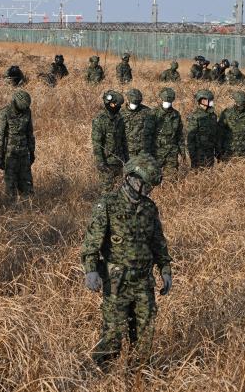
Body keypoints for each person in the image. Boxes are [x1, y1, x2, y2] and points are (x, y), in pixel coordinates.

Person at [81, 157, 171, 370]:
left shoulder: (149, 208)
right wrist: (91, 271)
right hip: (117, 283)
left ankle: (138, 379)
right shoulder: (108, 205)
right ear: (131, 179)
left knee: (144, 339)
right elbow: (91, 243)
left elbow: (158, 242)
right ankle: (96, 377)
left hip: (144, 283)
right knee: (112, 338)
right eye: (146, 184)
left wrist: (165, 270)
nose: (149, 190)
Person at [0, 89, 36, 197]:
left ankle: (29, 203)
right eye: (24, 106)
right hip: (10, 153)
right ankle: (11, 206)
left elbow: (29, 132)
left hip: (23, 151)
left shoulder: (27, 111)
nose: (25, 108)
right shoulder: (5, 113)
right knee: (11, 182)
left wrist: (32, 151)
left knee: (27, 180)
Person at [144, 87, 184, 179]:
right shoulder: (153, 114)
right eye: (165, 99)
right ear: (161, 99)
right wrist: (147, 152)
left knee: (171, 178)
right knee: (153, 177)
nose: (167, 102)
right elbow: (147, 134)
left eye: (169, 100)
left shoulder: (176, 115)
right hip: (157, 150)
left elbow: (179, 135)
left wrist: (182, 152)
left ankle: (168, 192)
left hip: (172, 151)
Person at [92, 90, 128, 188]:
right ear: (109, 104)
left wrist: (127, 159)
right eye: (115, 105)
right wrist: (101, 163)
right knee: (107, 191)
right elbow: (97, 144)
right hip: (107, 163)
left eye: (119, 106)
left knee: (121, 191)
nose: (118, 107)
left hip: (119, 161)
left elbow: (123, 140)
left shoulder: (120, 118)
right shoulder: (100, 120)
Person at [218, 91, 245, 158]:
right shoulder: (226, 113)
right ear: (235, 101)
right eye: (238, 103)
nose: (240, 105)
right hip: (228, 152)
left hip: (244, 152)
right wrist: (219, 151)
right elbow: (220, 133)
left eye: (243, 103)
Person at [186, 89, 220, 168]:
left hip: (210, 151)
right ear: (203, 101)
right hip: (198, 153)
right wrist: (192, 155)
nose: (211, 102)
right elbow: (190, 138)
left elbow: (216, 134)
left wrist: (218, 151)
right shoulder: (195, 116)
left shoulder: (213, 116)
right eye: (210, 100)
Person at [122, 89, 152, 159]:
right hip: (127, 150)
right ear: (128, 100)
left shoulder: (147, 111)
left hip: (143, 150)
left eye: (136, 103)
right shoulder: (120, 112)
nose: (134, 105)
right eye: (133, 103)